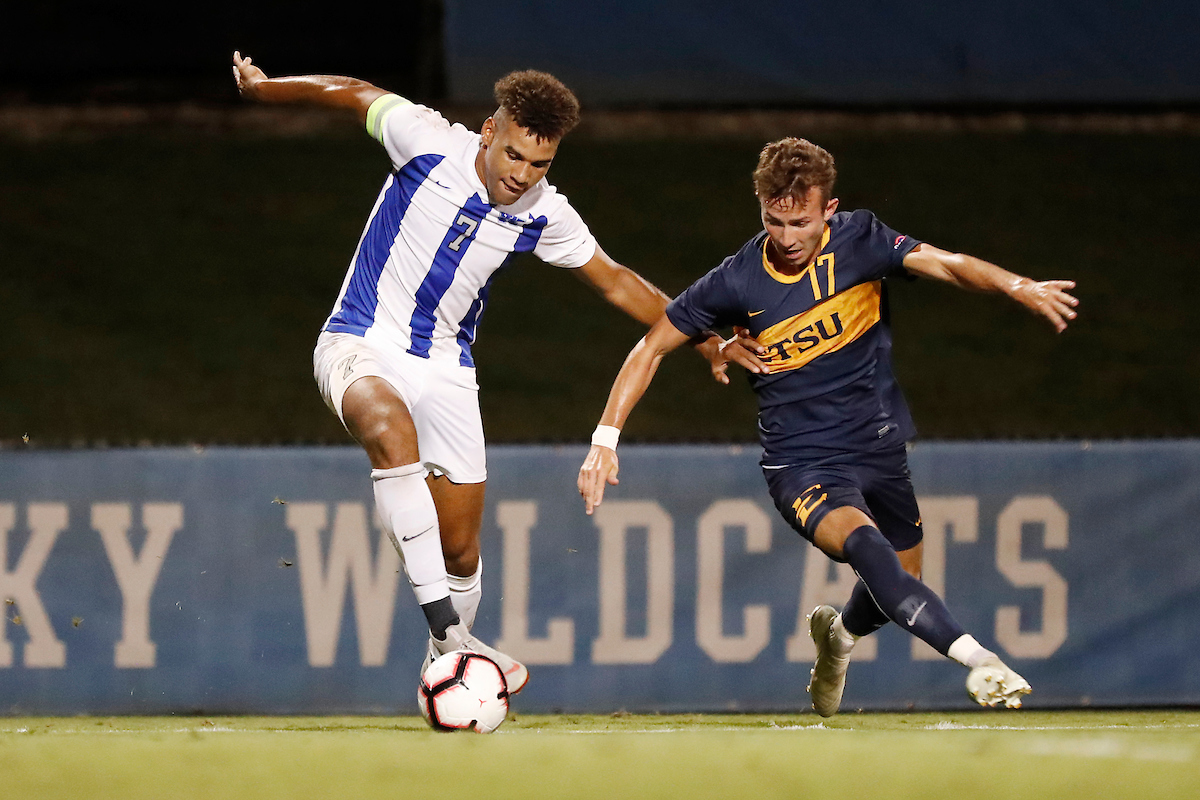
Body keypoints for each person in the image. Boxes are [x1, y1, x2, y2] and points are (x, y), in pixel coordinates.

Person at [231, 52, 756, 694]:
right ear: (488, 130)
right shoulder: (424, 140)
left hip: (448, 370)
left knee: (460, 553)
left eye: (540, 164)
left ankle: (441, 670)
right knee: (388, 429)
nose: (522, 175)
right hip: (361, 341)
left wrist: (702, 338)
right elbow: (351, 91)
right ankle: (455, 645)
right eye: (514, 155)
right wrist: (266, 90)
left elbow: (616, 282)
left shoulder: (543, 212)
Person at [578, 137, 1079, 714]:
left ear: (829, 210)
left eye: (801, 222)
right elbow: (650, 347)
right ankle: (981, 662)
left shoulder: (861, 240)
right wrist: (605, 439)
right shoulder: (737, 281)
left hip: (880, 447)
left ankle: (838, 638)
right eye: (774, 221)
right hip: (803, 463)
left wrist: (1018, 284)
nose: (787, 237)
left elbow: (945, 263)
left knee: (897, 580)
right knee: (870, 550)